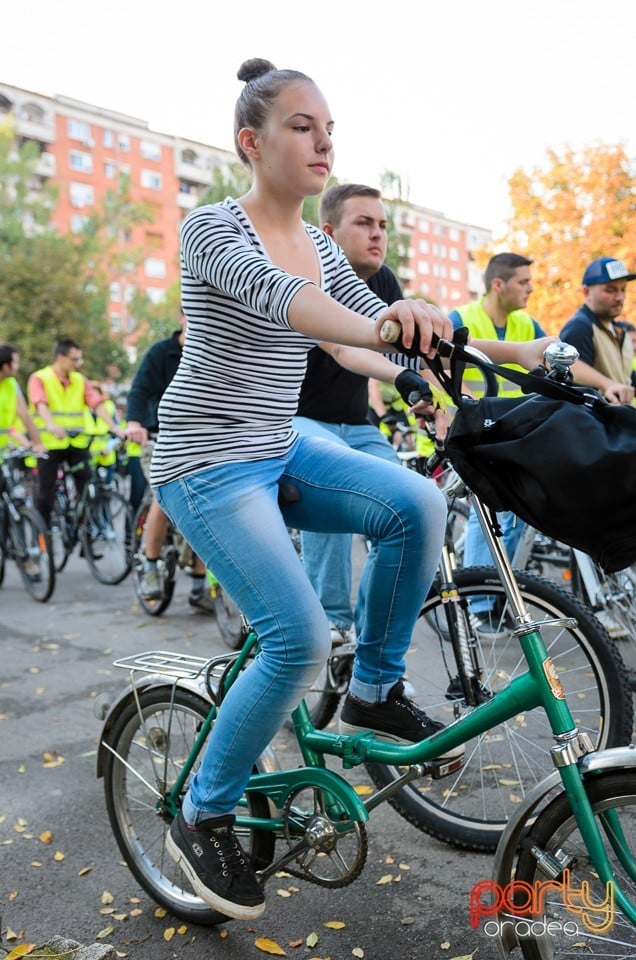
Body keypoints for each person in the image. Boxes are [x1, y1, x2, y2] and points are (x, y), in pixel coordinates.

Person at [150, 57, 553, 922]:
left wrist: (429, 355)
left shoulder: (325, 246)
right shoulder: (213, 229)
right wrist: (380, 321)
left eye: (329, 128)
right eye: (303, 126)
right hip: (207, 457)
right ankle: (202, 809)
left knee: (417, 504)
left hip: (279, 440)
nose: (323, 140)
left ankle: (373, 687)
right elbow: (291, 306)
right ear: (250, 142)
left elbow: (352, 348)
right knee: (294, 638)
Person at [293, 183, 440, 644]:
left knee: (416, 505)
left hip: (358, 424)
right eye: (364, 223)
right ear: (328, 232)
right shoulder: (304, 274)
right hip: (299, 421)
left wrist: (429, 395)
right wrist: (403, 378)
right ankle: (333, 622)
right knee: (334, 485)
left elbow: (409, 352)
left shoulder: (384, 282)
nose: (378, 234)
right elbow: (342, 348)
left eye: (383, 225)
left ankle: (372, 642)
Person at [448, 253, 546, 619]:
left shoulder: (526, 325)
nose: (531, 288)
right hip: (468, 432)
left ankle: (502, 592)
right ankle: (479, 605)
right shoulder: (459, 320)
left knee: (521, 509)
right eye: (524, 281)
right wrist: (444, 412)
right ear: (498, 284)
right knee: (485, 507)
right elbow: (428, 362)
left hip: (509, 434)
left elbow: (550, 355)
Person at [125, 317, 215, 612]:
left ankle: (200, 585)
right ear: (182, 316)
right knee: (165, 497)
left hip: (199, 443)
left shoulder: (212, 349)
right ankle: (150, 565)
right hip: (158, 439)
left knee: (210, 505)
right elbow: (139, 390)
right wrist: (135, 422)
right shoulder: (161, 353)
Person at [27, 338, 125, 525]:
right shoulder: (40, 378)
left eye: (80, 359)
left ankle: (85, 535)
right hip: (50, 444)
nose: (78, 364)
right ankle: (43, 539)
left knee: (88, 487)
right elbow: (40, 403)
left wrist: (114, 427)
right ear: (60, 357)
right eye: (75, 359)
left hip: (76, 443)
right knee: (45, 495)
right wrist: (51, 424)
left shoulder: (80, 380)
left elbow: (96, 403)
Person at [559, 256, 636, 404]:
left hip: (620, 422)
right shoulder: (579, 328)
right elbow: (570, 373)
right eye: (610, 290)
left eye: (623, 289)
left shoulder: (619, 330)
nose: (620, 297)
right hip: (595, 424)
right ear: (586, 292)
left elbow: (624, 376)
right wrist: (608, 385)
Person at [0, 342, 44, 453]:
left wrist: (38, 443)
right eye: (15, 363)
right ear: (5, 366)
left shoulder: (11, 385)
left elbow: (25, 417)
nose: (18, 367)